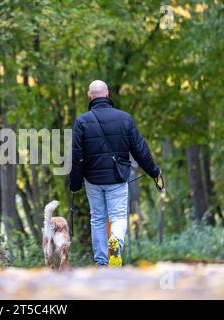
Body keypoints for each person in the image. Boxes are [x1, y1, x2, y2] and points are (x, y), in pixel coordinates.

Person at [69, 80, 161, 267]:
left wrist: (75, 183)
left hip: (92, 179)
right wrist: (154, 172)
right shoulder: (124, 119)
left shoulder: (81, 122)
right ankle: (116, 241)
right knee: (118, 216)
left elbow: (76, 156)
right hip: (117, 178)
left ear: (89, 96)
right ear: (108, 93)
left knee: (98, 218)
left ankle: (101, 261)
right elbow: (140, 150)